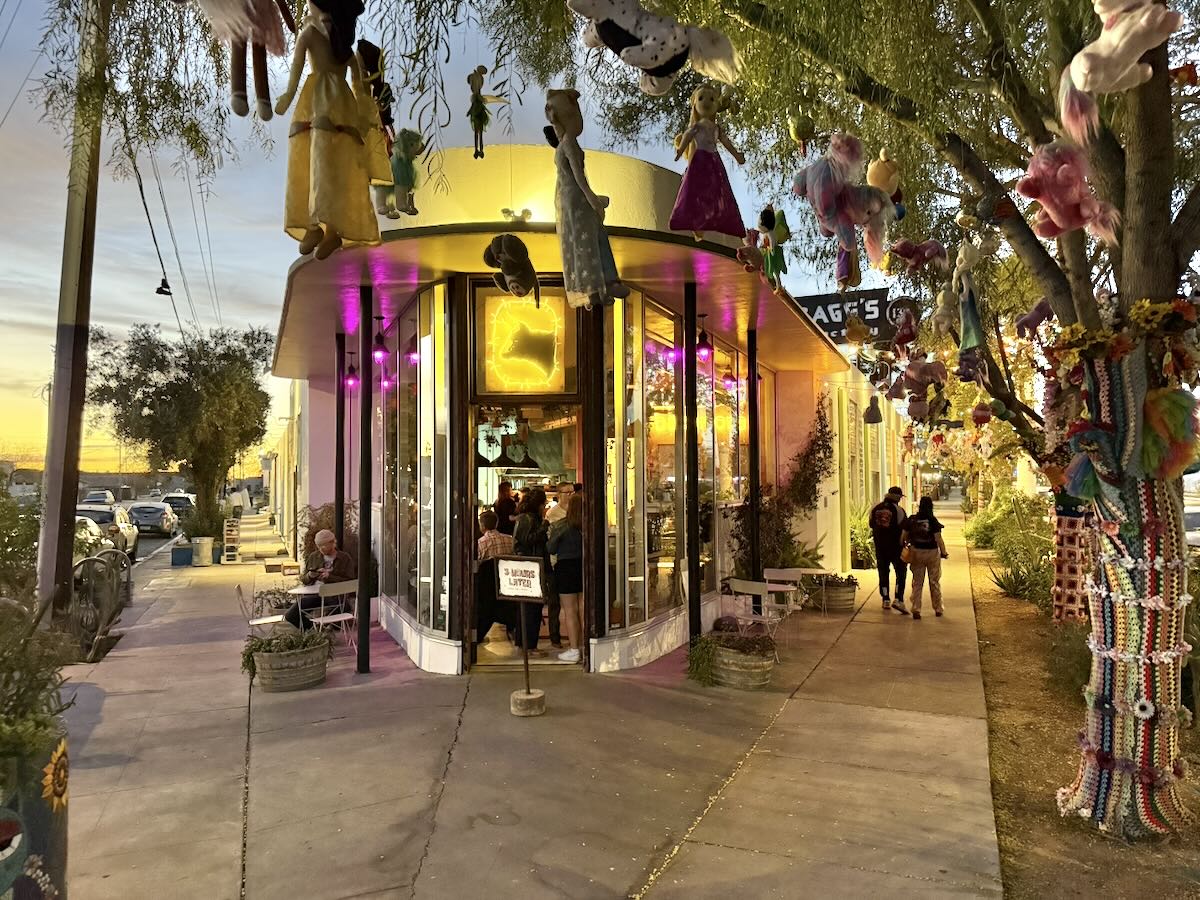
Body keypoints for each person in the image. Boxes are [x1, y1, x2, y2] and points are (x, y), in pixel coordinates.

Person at [287, 529, 357, 629]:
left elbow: (350, 582)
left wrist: (330, 577)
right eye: (318, 546)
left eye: (323, 545)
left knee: (343, 608)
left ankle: (323, 628)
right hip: (314, 595)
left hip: (335, 596)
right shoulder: (314, 557)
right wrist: (310, 576)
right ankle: (314, 630)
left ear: (332, 543)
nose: (321, 549)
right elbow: (304, 579)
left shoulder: (344, 558)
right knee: (290, 615)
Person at [512, 487, 550, 651]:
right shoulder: (529, 518)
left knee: (529, 607)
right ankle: (529, 646)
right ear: (539, 504)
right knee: (532, 608)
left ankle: (525, 644)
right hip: (531, 566)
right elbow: (527, 540)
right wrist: (544, 526)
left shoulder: (525, 517)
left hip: (529, 566)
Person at [548, 493, 585, 663]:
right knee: (583, 608)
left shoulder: (561, 525)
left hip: (565, 568)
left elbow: (551, 548)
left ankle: (574, 649)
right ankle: (586, 646)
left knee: (570, 611)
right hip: (584, 566)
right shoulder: (589, 525)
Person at [901, 497, 949, 620]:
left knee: (917, 582)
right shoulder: (932, 520)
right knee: (934, 581)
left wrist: (906, 545)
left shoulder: (912, 519)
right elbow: (938, 538)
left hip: (916, 552)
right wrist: (944, 552)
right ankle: (938, 608)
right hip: (932, 553)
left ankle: (916, 608)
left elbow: (903, 536)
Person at [475, 510, 515, 651]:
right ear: (497, 523)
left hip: (486, 587)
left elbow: (476, 564)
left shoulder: (480, 543)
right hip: (506, 583)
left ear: (482, 526)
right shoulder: (510, 539)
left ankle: (479, 634)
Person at [869, 486, 908, 613]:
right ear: (897, 497)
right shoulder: (899, 510)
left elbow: (871, 524)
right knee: (900, 573)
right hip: (896, 547)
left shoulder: (875, 508)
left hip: (880, 547)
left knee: (883, 572)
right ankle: (898, 598)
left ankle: (885, 598)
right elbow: (904, 529)